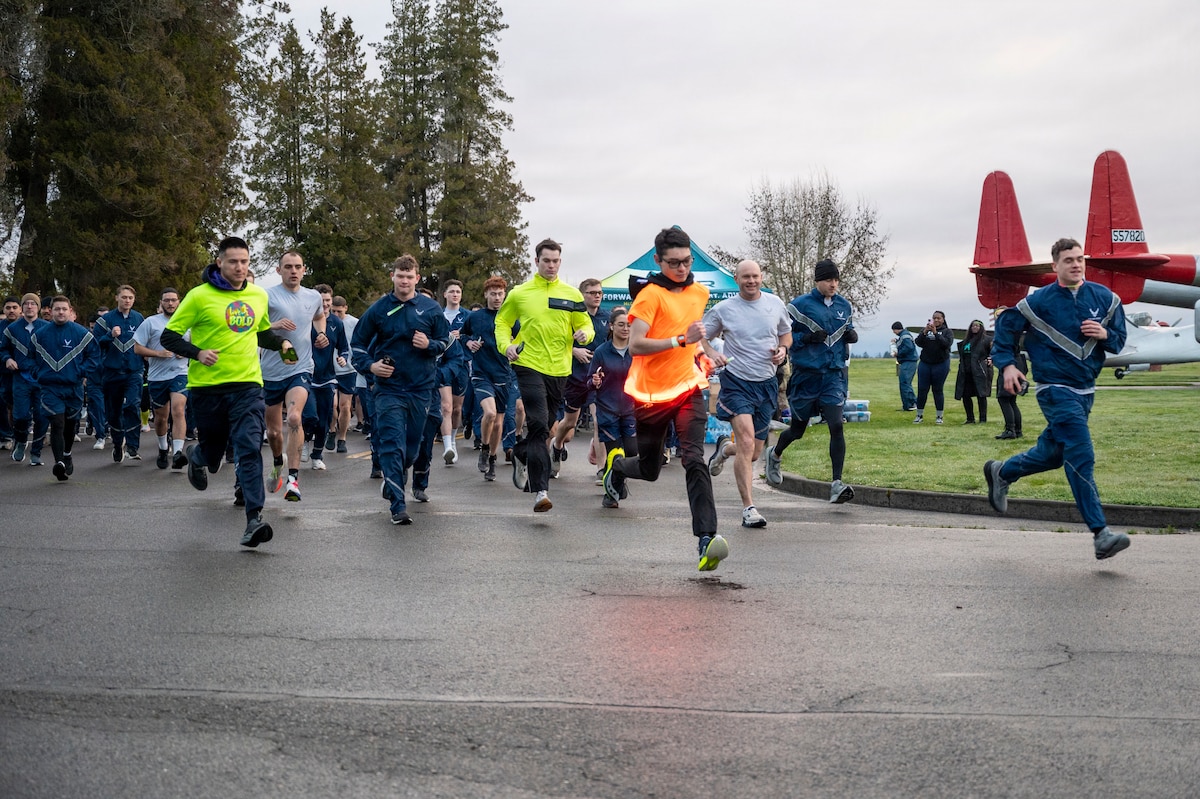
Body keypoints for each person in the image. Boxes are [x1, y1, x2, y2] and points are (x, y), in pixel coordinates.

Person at [984, 237, 1130, 560]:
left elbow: (1120, 341)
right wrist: (1007, 365)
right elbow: (1006, 329)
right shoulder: (1039, 302)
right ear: (1055, 266)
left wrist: (1105, 335)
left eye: (1080, 259)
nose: (1076, 264)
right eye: (1068, 260)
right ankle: (1100, 533)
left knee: (1053, 454)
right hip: (1053, 389)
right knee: (1081, 453)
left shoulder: (1104, 299)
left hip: (1085, 390)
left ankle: (1002, 472)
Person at [600, 226, 729, 571]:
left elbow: (694, 332)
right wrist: (679, 342)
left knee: (694, 458)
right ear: (658, 261)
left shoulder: (699, 292)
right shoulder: (649, 296)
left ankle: (706, 539)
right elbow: (637, 344)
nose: (682, 269)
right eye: (674, 263)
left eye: (687, 262)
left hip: (688, 387)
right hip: (651, 394)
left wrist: (708, 351)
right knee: (650, 468)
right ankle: (616, 468)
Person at [162, 236, 295, 548]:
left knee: (249, 448)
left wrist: (282, 343)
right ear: (219, 262)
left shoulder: (257, 296)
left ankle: (254, 519)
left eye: (245, 261)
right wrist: (197, 353)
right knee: (213, 453)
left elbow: (260, 333)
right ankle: (198, 456)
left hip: (248, 385)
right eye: (233, 261)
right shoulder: (198, 296)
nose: (239, 267)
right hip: (208, 388)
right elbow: (169, 337)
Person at [494, 238, 594, 513]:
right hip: (528, 363)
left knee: (547, 426)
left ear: (560, 262)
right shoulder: (520, 293)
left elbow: (584, 322)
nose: (551, 265)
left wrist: (586, 333)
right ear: (536, 261)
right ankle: (540, 491)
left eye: (556, 261)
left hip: (560, 369)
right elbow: (501, 322)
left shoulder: (572, 294)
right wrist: (507, 345)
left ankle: (521, 453)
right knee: (538, 422)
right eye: (546, 260)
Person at [351, 254, 450, 526]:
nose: (404, 281)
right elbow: (357, 345)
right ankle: (398, 504)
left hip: (420, 388)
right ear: (392, 277)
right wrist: (371, 367)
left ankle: (395, 477)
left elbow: (445, 343)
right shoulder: (379, 309)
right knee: (392, 444)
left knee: (411, 449)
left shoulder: (430, 309)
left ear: (417, 279)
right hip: (388, 389)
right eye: (400, 276)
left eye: (409, 277)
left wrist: (428, 344)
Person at [702, 259, 791, 528]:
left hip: (766, 384)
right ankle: (749, 508)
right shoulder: (724, 309)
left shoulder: (775, 303)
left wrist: (783, 350)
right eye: (745, 277)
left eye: (755, 276)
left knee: (752, 453)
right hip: (737, 381)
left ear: (761, 277)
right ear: (736, 279)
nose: (751, 281)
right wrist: (713, 353)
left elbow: (786, 334)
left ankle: (723, 450)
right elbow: (701, 335)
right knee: (747, 440)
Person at [765, 259, 857, 504]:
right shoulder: (798, 306)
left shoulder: (844, 306)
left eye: (836, 280)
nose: (833, 284)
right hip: (806, 376)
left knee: (836, 424)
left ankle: (836, 484)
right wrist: (806, 338)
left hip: (832, 376)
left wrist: (851, 336)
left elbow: (848, 329)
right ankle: (774, 454)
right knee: (798, 430)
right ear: (817, 281)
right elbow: (782, 334)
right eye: (828, 279)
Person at [259, 250, 326, 502]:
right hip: (270, 371)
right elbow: (252, 326)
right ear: (279, 270)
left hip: (300, 367)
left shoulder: (313, 296)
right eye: (288, 266)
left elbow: (319, 317)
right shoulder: (266, 296)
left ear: (304, 269)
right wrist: (274, 326)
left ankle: (293, 480)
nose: (293, 271)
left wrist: (320, 334)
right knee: (274, 433)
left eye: (298, 266)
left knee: (295, 418)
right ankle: (278, 463)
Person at [31, 296, 100, 480]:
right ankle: (59, 462)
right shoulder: (40, 334)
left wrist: (81, 372)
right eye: (57, 309)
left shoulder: (82, 334)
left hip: (73, 387)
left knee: (70, 424)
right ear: (50, 311)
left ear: (70, 311)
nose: (60, 312)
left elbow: (94, 356)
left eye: (64, 309)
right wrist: (38, 373)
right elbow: (29, 358)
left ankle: (67, 454)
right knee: (57, 423)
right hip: (50, 387)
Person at [549, 277, 609, 478]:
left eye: (599, 292)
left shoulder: (606, 318)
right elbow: (556, 342)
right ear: (582, 295)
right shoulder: (572, 317)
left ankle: (602, 469)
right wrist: (575, 350)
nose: (597, 296)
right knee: (569, 424)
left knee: (598, 420)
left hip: (597, 378)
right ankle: (556, 446)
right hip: (574, 377)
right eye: (592, 293)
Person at [462, 276, 514, 483]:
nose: (497, 298)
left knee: (499, 420)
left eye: (500, 294)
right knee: (490, 413)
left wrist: (515, 346)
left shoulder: (511, 318)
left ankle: (492, 458)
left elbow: (522, 340)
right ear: (485, 295)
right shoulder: (476, 317)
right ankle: (484, 447)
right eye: (493, 294)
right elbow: (462, 335)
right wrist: (469, 343)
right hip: (481, 373)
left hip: (502, 374)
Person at [133, 287, 190, 469]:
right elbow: (137, 348)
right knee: (161, 418)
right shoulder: (151, 322)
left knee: (179, 410)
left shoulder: (187, 322)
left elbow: (197, 345)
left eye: (174, 300)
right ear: (161, 303)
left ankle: (178, 452)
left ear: (179, 302)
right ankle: (163, 448)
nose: (171, 303)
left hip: (180, 373)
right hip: (157, 377)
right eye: (167, 300)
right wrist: (157, 353)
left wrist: (186, 352)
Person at [587, 307, 637, 508]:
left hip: (631, 409)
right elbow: (589, 382)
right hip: (608, 410)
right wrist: (595, 381)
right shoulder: (602, 351)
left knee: (632, 452)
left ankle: (618, 478)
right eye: (621, 324)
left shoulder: (636, 350)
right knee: (615, 453)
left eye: (629, 325)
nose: (626, 328)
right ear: (611, 326)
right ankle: (611, 494)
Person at [93, 285, 145, 461]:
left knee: (132, 405)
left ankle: (132, 447)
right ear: (116, 298)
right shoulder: (105, 320)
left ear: (134, 299)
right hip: (112, 372)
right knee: (113, 412)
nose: (127, 300)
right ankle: (117, 444)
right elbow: (95, 344)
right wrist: (110, 335)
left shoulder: (139, 319)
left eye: (130, 297)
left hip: (134, 370)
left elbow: (146, 341)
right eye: (124, 297)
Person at [305, 284, 348, 471]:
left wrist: (343, 358)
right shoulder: (306, 320)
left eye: (327, 301)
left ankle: (317, 454)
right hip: (307, 375)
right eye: (320, 301)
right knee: (309, 416)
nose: (324, 304)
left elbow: (344, 347)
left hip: (328, 377)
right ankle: (305, 439)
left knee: (325, 419)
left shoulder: (337, 323)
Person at [3, 294, 49, 465]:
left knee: (42, 416)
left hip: (42, 379)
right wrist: (7, 358)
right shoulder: (12, 329)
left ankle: (36, 452)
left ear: (38, 307)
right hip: (20, 377)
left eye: (33, 304)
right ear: (22, 308)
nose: (29, 306)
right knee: (20, 416)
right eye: (26, 304)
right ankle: (21, 442)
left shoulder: (47, 327)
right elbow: (3, 349)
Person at [436, 279, 470, 464]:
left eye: (458, 291)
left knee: (457, 408)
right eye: (451, 291)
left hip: (461, 364)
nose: (455, 294)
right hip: (441, 365)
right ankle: (448, 446)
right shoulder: (437, 315)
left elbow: (476, 338)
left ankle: (454, 439)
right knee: (446, 407)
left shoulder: (468, 316)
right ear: (445, 294)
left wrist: (463, 336)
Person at [913, 310, 954, 424]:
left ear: (943, 319)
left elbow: (946, 344)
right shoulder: (925, 330)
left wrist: (936, 333)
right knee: (922, 389)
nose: (936, 320)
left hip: (941, 364)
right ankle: (919, 415)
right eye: (934, 318)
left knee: (937, 390)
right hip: (925, 363)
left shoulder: (947, 331)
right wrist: (925, 332)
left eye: (938, 318)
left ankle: (939, 416)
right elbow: (918, 342)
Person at [993, 308, 1027, 440]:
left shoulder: (1005, 332)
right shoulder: (1015, 329)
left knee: (1004, 398)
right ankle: (1017, 430)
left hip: (1010, 362)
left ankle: (1010, 429)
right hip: (1018, 361)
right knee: (1012, 400)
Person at [329, 295, 357, 454]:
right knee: (331, 405)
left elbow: (360, 343)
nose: (336, 314)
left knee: (345, 406)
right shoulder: (326, 321)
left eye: (339, 311)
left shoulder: (354, 323)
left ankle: (342, 438)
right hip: (330, 370)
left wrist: (353, 361)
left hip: (348, 370)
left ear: (345, 308)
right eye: (334, 311)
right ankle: (332, 430)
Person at [954, 319, 993, 424]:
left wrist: (991, 359)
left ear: (981, 328)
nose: (975, 328)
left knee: (981, 395)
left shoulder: (987, 340)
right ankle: (970, 418)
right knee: (965, 395)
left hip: (980, 371)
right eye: (973, 326)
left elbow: (994, 352)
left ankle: (983, 419)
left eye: (977, 326)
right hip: (966, 372)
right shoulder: (966, 341)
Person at [891, 321, 918, 411]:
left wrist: (898, 353)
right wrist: (897, 341)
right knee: (905, 383)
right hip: (907, 362)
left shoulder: (905, 336)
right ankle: (907, 405)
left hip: (908, 362)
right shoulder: (904, 336)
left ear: (896, 329)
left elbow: (909, 347)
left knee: (905, 383)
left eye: (894, 330)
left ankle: (912, 403)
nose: (893, 332)